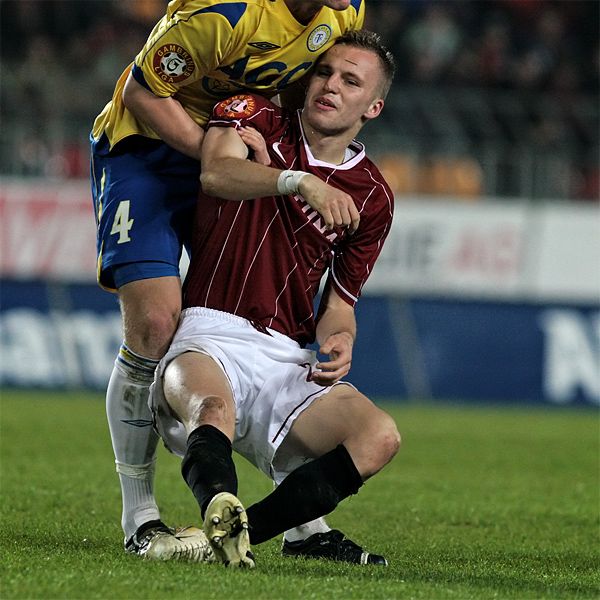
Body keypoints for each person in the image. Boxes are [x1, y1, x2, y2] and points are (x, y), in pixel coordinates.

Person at [89, 0, 366, 561]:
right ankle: (140, 516)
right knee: (155, 322)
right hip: (150, 151)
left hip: (242, 151)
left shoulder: (343, 12)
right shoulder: (227, 13)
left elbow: (306, 90)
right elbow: (141, 91)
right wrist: (212, 151)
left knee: (270, 316)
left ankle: (304, 526)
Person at [149, 30, 400, 568]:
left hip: (286, 355)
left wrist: (340, 338)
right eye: (324, 72)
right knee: (210, 407)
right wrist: (297, 182)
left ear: (372, 107)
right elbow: (215, 172)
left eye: (350, 81)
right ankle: (220, 510)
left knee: (379, 436)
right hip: (209, 330)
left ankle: (241, 533)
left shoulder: (374, 196)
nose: (330, 85)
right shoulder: (256, 117)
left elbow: (341, 301)